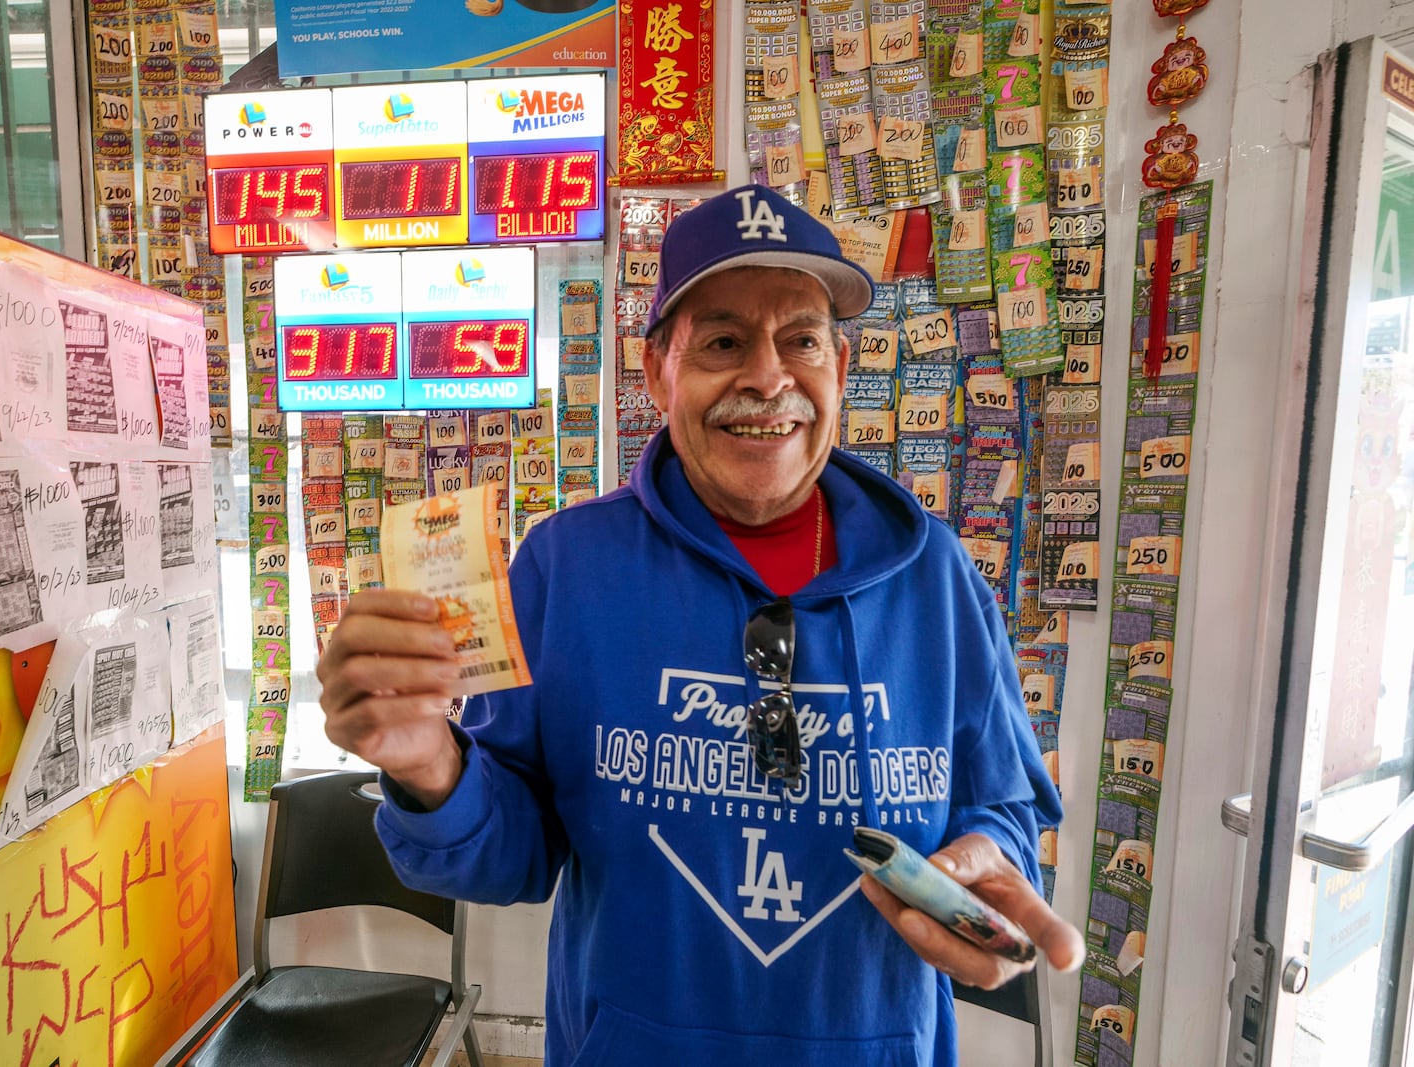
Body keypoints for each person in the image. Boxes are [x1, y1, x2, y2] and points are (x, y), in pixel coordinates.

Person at [319, 183, 1083, 1066]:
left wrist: (987, 859)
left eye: (800, 339)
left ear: (837, 365)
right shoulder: (565, 568)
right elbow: (511, 854)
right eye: (723, 340)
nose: (768, 377)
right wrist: (432, 769)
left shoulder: (938, 579)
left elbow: (1009, 806)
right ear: (657, 372)